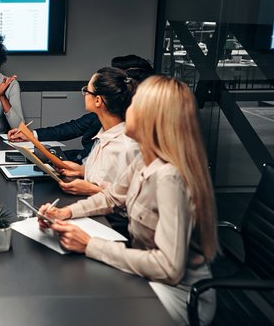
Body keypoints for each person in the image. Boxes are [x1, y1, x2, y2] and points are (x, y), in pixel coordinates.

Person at [39, 75, 218, 325]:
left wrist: (90, 244)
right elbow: (113, 196)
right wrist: (65, 214)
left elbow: (168, 268)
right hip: (145, 273)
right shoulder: (146, 158)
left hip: (176, 295)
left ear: (151, 117)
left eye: (134, 104)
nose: (126, 108)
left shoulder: (169, 177)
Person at [7, 55, 154, 163]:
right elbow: (74, 127)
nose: (84, 94)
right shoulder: (105, 111)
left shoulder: (127, 139)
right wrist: (32, 135)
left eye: (87, 91)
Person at [57, 67, 139, 195]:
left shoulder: (126, 146)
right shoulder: (105, 135)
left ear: (97, 100)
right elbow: (109, 178)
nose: (84, 95)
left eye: (86, 90)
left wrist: (92, 190)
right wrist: (81, 170)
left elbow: (132, 199)